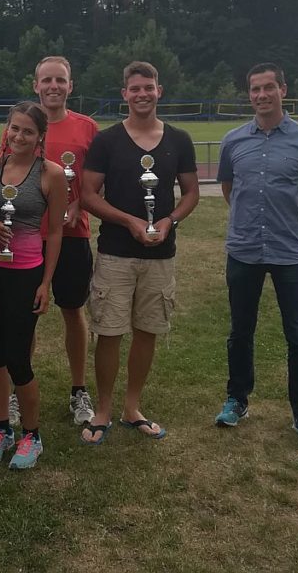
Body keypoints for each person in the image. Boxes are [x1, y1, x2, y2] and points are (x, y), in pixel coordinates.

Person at [80, 61, 199, 445]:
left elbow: (191, 193)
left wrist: (169, 222)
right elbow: (87, 195)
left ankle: (133, 408)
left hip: (160, 256)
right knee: (109, 331)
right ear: (125, 95)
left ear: (159, 91)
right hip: (115, 253)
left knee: (148, 331)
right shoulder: (107, 140)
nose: (142, 94)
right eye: (135, 89)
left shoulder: (179, 139)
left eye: (148, 87)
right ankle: (102, 409)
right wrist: (130, 221)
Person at [213, 62, 298, 446]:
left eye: (268, 88)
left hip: (290, 252)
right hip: (244, 249)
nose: (261, 95)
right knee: (240, 332)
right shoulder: (233, 141)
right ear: (249, 94)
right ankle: (237, 399)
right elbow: (230, 188)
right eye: (254, 89)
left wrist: (284, 220)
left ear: (283, 89)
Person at [0, 103, 67, 469]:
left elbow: (56, 231)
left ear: (40, 136)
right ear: (7, 129)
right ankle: (2, 429)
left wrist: (46, 282)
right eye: (15, 128)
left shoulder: (52, 174)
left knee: (17, 355)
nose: (19, 137)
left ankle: (32, 435)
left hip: (27, 272)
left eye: (28, 131)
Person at [30, 56, 100, 426]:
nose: (53, 86)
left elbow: (96, 181)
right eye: (47, 80)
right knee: (27, 314)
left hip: (73, 236)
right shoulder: (24, 124)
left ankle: (78, 389)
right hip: (28, 237)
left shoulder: (88, 128)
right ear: (35, 85)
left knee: (73, 310)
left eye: (60, 80)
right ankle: (18, 388)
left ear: (70, 86)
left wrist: (75, 202)